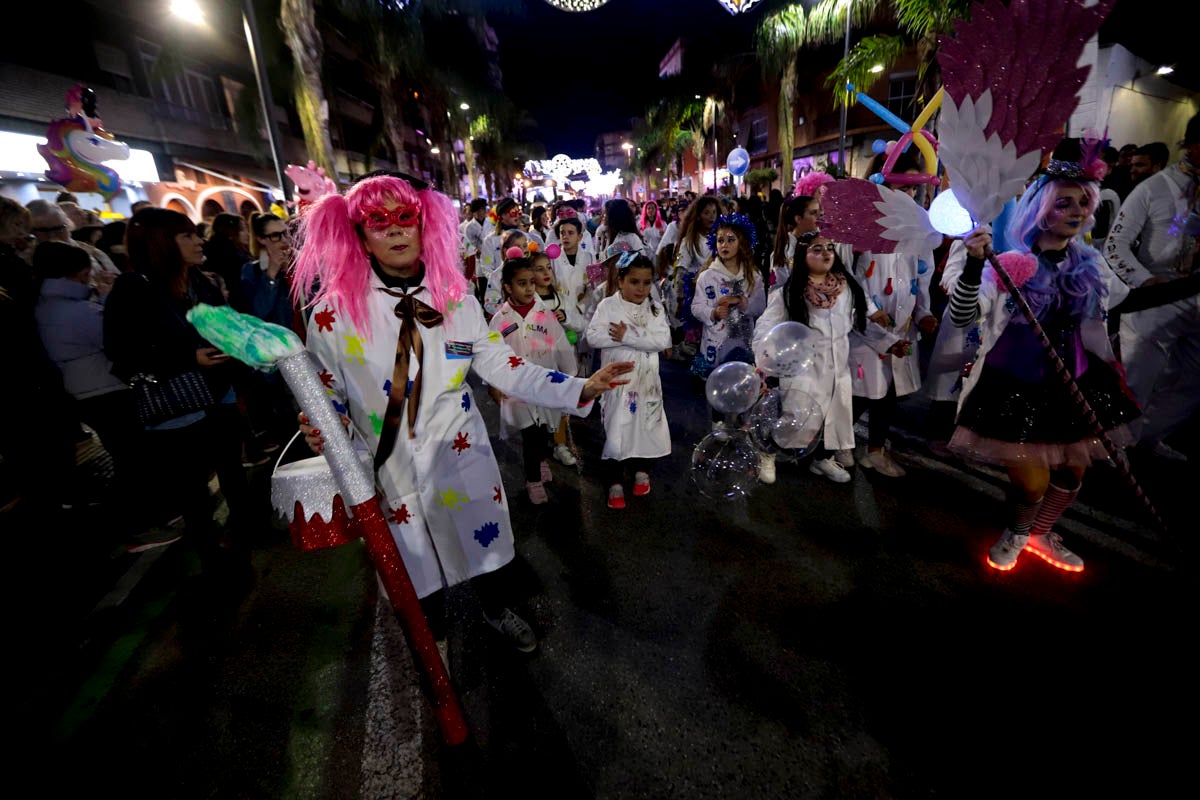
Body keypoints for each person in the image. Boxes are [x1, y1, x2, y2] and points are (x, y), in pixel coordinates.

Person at [292, 172, 631, 652]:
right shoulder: (332, 314)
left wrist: (579, 386)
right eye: (377, 220)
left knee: (487, 552)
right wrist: (323, 427)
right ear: (358, 234)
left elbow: (508, 368)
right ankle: (435, 653)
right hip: (390, 470)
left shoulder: (456, 300)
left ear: (423, 221)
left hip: (461, 454)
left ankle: (498, 612)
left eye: (404, 217)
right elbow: (325, 397)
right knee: (417, 578)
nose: (394, 230)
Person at [947, 144, 1140, 573]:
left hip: (1077, 382)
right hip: (1015, 386)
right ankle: (1018, 531)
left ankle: (1040, 533)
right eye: (1063, 203)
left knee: (1073, 474)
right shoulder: (1011, 260)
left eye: (1083, 203)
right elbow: (963, 316)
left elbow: (1123, 305)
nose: (1076, 211)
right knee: (1031, 481)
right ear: (1041, 209)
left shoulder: (1091, 263)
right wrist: (975, 266)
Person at [104, 208, 257, 568]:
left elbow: (227, 327)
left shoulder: (199, 280)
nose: (198, 240)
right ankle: (211, 556)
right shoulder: (133, 287)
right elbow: (121, 353)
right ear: (161, 243)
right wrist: (189, 357)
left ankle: (246, 532)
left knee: (232, 469)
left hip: (221, 394)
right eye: (186, 235)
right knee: (192, 489)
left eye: (195, 233)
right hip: (178, 405)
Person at [1104, 113, 1199, 460]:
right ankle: (1116, 446)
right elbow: (1115, 244)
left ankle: (1147, 436)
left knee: (1190, 382)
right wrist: (1146, 281)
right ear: (1190, 146)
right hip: (1154, 296)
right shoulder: (1154, 187)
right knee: (1135, 380)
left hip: (1196, 295)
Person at [33, 242, 142, 510]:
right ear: (79, 271)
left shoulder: (45, 305)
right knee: (130, 455)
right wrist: (108, 299)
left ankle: (136, 514)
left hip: (83, 389)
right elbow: (118, 340)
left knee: (122, 452)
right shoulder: (78, 311)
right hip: (103, 388)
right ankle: (138, 520)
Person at [848, 156, 938, 478]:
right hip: (866, 329)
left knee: (886, 394)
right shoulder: (864, 225)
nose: (909, 195)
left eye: (915, 189)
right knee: (862, 392)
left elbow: (922, 277)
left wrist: (924, 312)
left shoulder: (919, 228)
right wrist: (872, 312)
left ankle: (873, 451)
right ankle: (833, 447)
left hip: (901, 328)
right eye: (903, 186)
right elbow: (852, 276)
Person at [754, 232, 867, 485]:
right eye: (816, 249)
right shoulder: (790, 292)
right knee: (798, 420)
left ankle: (822, 459)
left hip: (838, 367)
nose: (826, 253)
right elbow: (765, 329)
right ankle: (768, 452)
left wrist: (890, 342)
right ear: (803, 257)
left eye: (829, 247)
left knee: (835, 418)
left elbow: (863, 321)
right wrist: (764, 362)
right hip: (805, 370)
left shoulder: (847, 288)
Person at [488, 257, 578, 503]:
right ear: (507, 286)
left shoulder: (543, 314)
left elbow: (560, 344)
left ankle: (539, 461)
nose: (529, 288)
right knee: (531, 434)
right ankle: (533, 480)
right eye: (521, 283)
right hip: (518, 388)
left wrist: (570, 375)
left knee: (545, 428)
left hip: (544, 383)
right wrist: (494, 386)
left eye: (531, 283)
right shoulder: (500, 320)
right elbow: (492, 355)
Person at [586, 254, 671, 509]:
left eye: (646, 283)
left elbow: (662, 340)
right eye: (634, 282)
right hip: (619, 383)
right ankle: (614, 481)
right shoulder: (608, 307)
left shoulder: (655, 308)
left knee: (646, 426)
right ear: (620, 280)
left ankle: (641, 469)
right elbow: (594, 337)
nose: (641, 289)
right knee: (617, 429)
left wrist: (628, 334)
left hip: (647, 383)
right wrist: (637, 339)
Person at [241, 212, 299, 450]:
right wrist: (272, 274)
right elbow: (258, 311)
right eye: (275, 236)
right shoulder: (252, 271)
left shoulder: (301, 264)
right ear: (262, 239)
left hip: (311, 349)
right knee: (291, 423)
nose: (284, 240)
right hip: (279, 360)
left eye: (286, 233)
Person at [690, 212, 767, 391]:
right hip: (715, 343)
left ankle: (741, 419)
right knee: (717, 389)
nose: (724, 244)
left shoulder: (753, 276)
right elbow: (696, 306)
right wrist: (713, 313)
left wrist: (742, 303)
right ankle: (717, 419)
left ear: (742, 244)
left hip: (743, 341)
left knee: (742, 387)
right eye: (720, 240)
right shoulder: (707, 276)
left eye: (731, 240)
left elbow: (761, 307)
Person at [549, 216, 599, 378]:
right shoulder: (552, 260)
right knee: (565, 364)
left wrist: (582, 307)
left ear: (579, 236)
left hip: (583, 314)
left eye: (570, 233)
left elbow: (594, 289)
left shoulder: (589, 258)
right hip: (560, 316)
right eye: (562, 233)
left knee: (585, 363)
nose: (565, 237)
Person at [671, 196, 721, 356]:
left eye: (714, 212)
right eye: (707, 213)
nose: (712, 216)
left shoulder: (722, 238)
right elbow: (681, 269)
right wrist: (680, 299)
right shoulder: (689, 241)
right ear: (698, 216)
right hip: (696, 295)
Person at [769, 195, 823, 293]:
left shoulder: (819, 243)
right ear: (798, 219)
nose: (819, 216)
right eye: (813, 213)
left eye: (819, 211)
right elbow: (777, 291)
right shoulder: (785, 251)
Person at [202, 212, 251, 311]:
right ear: (230, 231)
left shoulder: (237, 252)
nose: (247, 233)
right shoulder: (231, 257)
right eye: (242, 229)